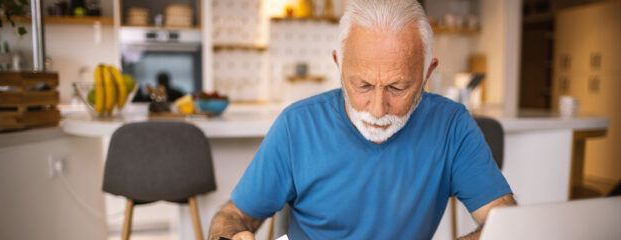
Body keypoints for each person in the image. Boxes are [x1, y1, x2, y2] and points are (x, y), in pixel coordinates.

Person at [209, 0, 516, 239]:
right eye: (363, 85)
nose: (378, 109)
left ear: (427, 73)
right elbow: (234, 215)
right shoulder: (296, 126)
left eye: (398, 87)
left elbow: (505, 225)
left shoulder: (452, 125)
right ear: (338, 65)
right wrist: (229, 236)